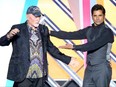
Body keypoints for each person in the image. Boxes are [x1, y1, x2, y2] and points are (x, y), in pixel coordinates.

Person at [0, 6, 78, 87]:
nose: (37, 19)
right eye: (35, 16)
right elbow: (2, 42)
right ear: (27, 16)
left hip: (40, 75)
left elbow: (51, 48)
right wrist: (9, 35)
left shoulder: (43, 29)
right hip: (23, 75)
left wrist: (68, 60)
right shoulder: (18, 28)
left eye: (39, 16)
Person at [50, 4, 114, 87]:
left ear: (104, 16)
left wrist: (74, 47)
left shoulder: (107, 32)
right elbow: (70, 35)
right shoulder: (89, 30)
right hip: (89, 68)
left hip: (102, 68)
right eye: (95, 15)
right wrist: (50, 32)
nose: (97, 18)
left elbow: (93, 45)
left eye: (100, 15)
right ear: (92, 16)